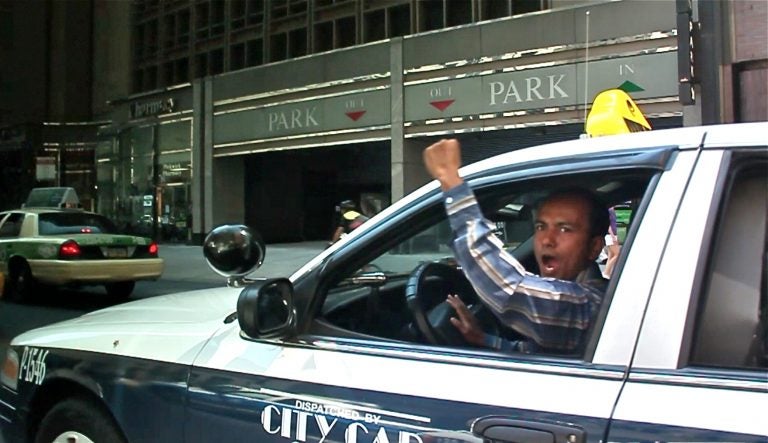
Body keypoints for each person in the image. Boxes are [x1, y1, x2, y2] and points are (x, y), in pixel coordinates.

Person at [422, 138, 609, 353]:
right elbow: (540, 354)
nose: (547, 240)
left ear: (595, 247)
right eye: (541, 227)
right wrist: (483, 339)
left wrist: (450, 180)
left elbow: (509, 289)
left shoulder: (590, 305)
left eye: (565, 229)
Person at [603, 207, 620, 278]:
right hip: (611, 236)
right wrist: (613, 237)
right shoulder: (610, 211)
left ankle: (607, 272)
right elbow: (609, 226)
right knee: (617, 254)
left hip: (612, 235)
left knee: (611, 255)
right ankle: (606, 272)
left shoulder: (613, 210)